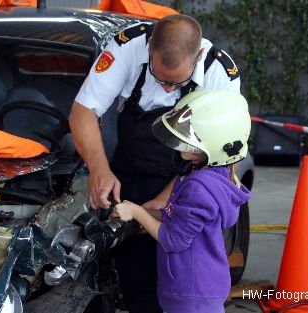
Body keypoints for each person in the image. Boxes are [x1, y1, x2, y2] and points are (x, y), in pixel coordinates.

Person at [69, 14, 241, 313]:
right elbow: (83, 111)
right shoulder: (126, 47)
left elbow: (218, 156)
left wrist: (165, 201)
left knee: (180, 278)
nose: (166, 90)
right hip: (131, 172)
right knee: (137, 278)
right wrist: (99, 168)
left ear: (197, 55)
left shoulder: (219, 73)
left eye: (178, 83)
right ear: (150, 48)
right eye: (160, 78)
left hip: (189, 183)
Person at [111, 90, 252, 313]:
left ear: (216, 143)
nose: (179, 143)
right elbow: (177, 218)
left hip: (191, 294)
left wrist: (137, 212)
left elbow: (174, 239)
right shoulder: (215, 177)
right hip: (203, 286)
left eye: (191, 137)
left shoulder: (198, 188)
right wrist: (144, 213)